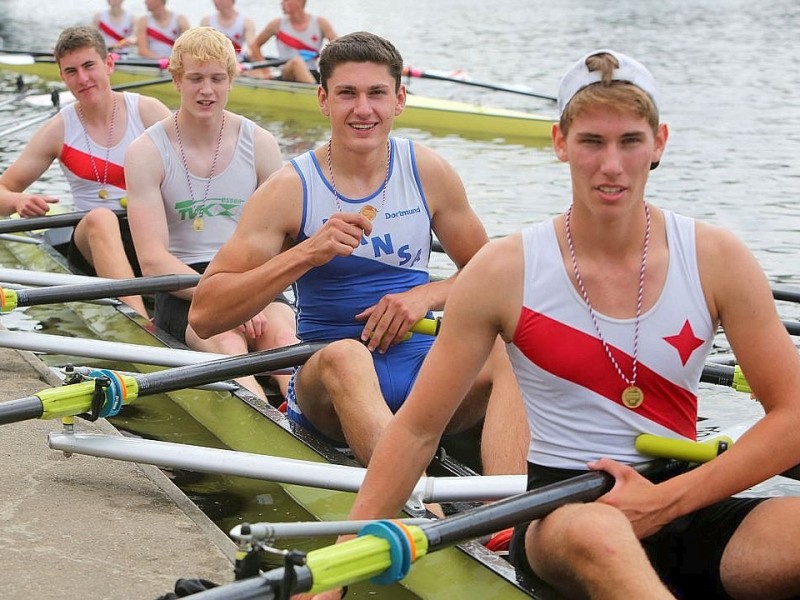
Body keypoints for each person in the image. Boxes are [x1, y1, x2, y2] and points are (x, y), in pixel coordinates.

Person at [331, 49, 800, 599]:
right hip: (563, 514)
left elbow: (791, 416)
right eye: (592, 143)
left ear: (660, 143)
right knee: (600, 531)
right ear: (560, 143)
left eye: (629, 141)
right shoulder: (505, 270)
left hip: (687, 501)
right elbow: (416, 430)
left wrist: (668, 501)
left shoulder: (718, 258)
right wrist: (342, 564)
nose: (611, 165)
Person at [189, 31, 528, 473]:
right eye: (347, 93)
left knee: (513, 344)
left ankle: (503, 516)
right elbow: (205, 314)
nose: (363, 109)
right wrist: (306, 254)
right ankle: (421, 511)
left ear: (399, 99)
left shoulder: (429, 171)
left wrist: (426, 296)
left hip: (424, 371)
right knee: (347, 356)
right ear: (323, 100)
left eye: (376, 94)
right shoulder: (289, 190)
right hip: (330, 379)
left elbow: (492, 276)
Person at [124, 26, 298, 401]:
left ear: (231, 81)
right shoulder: (146, 151)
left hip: (252, 279)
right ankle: (265, 419)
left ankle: (299, 409)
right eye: (196, 79)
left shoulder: (261, 144)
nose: (207, 90)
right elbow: (153, 262)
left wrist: (246, 294)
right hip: (183, 288)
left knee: (283, 335)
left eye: (217, 79)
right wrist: (228, 300)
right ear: (176, 80)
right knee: (225, 340)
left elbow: (284, 241)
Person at [0, 25, 171, 317]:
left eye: (89, 66)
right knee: (100, 218)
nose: (82, 79)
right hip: (93, 242)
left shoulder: (148, 112)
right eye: (71, 71)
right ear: (62, 77)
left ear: (109, 64)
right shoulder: (59, 129)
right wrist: (17, 202)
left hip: (153, 238)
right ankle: (139, 323)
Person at [248, 0, 337, 83]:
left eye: (286, 0)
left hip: (312, 72)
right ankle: (315, 95)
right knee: (296, 62)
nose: (281, 3)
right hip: (287, 72)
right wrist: (266, 71)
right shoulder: (277, 24)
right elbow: (255, 46)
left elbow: (338, 47)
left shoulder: (320, 23)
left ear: (299, 1)